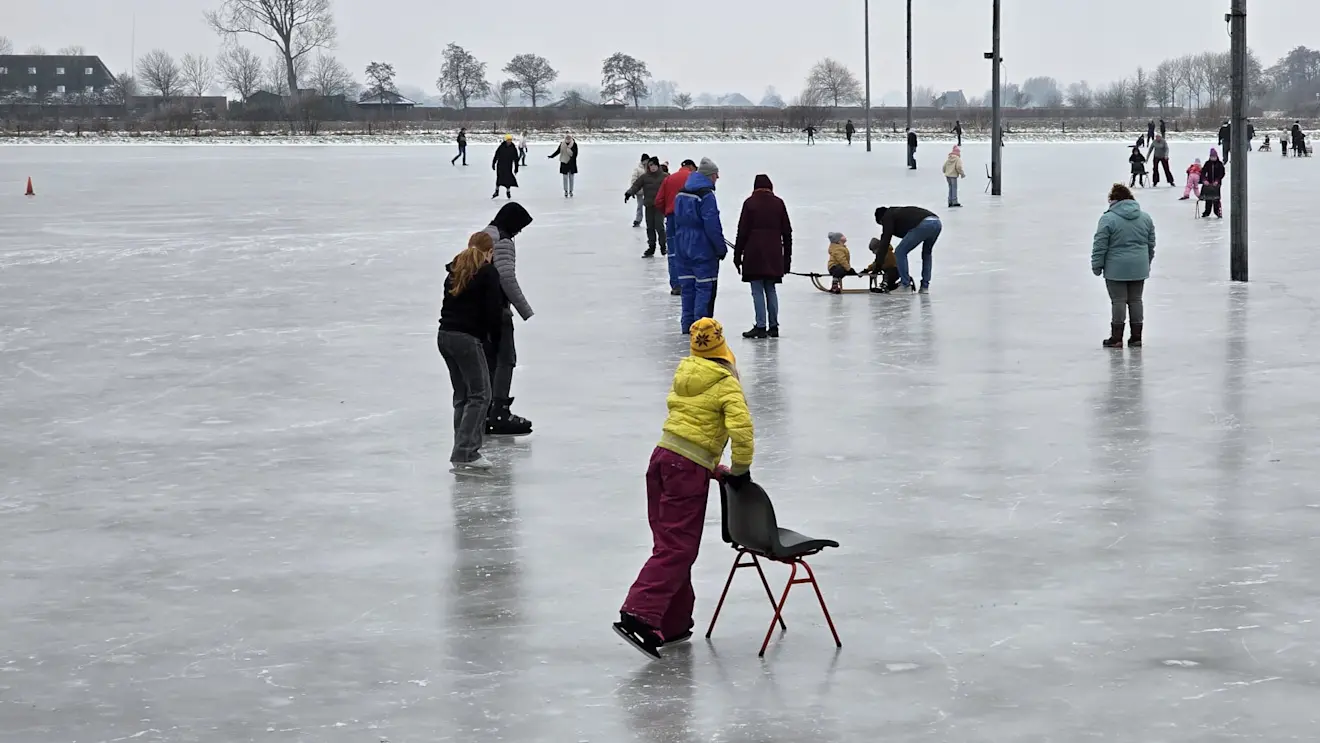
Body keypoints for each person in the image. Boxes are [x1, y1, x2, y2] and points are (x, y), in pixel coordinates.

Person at [614, 317, 754, 660]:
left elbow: (688, 433)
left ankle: (673, 622)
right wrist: (740, 471)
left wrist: (713, 468)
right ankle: (639, 612)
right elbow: (742, 430)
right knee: (678, 548)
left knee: (671, 543)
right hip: (684, 470)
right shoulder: (725, 382)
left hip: (662, 459)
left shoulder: (686, 373)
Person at [437, 231, 505, 472]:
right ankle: (466, 452)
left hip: (445, 336)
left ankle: (462, 449)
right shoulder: (487, 272)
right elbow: (493, 312)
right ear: (489, 252)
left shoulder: (456, 270)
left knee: (463, 396)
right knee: (480, 395)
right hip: (466, 338)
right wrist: (493, 342)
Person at [482, 203, 536, 435]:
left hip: (479, 309)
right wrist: (525, 309)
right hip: (496, 310)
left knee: (489, 360)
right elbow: (506, 279)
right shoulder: (502, 241)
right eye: (519, 227)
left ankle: (485, 409)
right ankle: (499, 411)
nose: (519, 232)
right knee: (506, 359)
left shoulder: (485, 234)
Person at [1091, 183, 1155, 349]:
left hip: (1116, 268)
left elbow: (1100, 244)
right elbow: (1151, 243)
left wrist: (1097, 265)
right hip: (1139, 266)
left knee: (1118, 301)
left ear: (1114, 200)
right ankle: (1136, 337)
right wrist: (1146, 262)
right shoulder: (1145, 217)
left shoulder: (1108, 219)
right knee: (1136, 300)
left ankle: (1117, 337)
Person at [733, 174, 792, 338]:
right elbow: (787, 233)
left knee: (757, 290)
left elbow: (742, 232)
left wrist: (737, 256)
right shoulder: (779, 203)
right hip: (774, 254)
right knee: (771, 289)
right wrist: (786, 259)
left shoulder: (750, 203)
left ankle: (760, 326)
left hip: (754, 254)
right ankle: (774, 326)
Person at [673, 158, 726, 334]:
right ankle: (702, 330)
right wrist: (720, 248)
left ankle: (687, 326)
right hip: (702, 247)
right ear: (709, 175)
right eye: (716, 174)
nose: (717, 177)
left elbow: (675, 221)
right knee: (705, 288)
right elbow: (712, 224)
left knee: (688, 288)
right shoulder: (707, 195)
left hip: (682, 245)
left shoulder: (681, 193)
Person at [875, 205, 942, 293]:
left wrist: (878, 265)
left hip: (924, 224)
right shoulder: (898, 213)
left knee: (900, 252)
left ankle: (905, 285)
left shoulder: (887, 216)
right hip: (937, 222)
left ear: (881, 219)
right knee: (927, 254)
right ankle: (924, 287)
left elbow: (885, 241)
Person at [656, 159, 697, 296]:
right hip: (688, 219)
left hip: (671, 217)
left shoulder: (669, 179)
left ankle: (676, 285)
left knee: (673, 253)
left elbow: (659, 201)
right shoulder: (693, 178)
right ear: (691, 167)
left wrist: (667, 212)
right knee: (689, 250)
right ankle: (690, 282)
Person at [626, 157, 669, 258]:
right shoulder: (645, 177)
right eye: (650, 165)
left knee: (659, 226)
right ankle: (651, 247)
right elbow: (636, 185)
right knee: (650, 227)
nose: (652, 167)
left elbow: (672, 187)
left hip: (659, 206)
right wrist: (629, 193)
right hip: (649, 205)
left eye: (654, 165)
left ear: (657, 166)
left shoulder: (665, 176)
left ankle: (663, 246)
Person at [549, 133, 579, 197]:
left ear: (571, 138)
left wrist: (570, 160)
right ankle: (565, 191)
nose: (568, 139)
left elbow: (575, 154)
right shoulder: (562, 144)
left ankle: (571, 191)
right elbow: (558, 151)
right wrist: (552, 156)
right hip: (564, 162)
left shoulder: (574, 144)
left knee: (571, 178)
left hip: (571, 163)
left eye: (569, 138)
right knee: (565, 178)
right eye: (567, 138)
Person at [491, 134, 519, 199]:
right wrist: (493, 163)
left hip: (508, 166)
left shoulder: (513, 148)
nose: (509, 141)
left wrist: (516, 168)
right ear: (506, 140)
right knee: (499, 178)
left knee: (508, 179)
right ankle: (496, 191)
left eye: (510, 140)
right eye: (508, 140)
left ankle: (508, 191)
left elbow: (516, 158)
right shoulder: (501, 147)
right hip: (500, 165)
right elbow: (496, 155)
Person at [1199, 149, 1226, 219]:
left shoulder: (1219, 164)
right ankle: (1207, 212)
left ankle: (1217, 211)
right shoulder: (1207, 163)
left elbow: (1222, 173)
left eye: (1214, 156)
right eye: (1211, 156)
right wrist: (1204, 180)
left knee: (1216, 199)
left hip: (1217, 184)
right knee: (1208, 199)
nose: (1213, 158)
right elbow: (1203, 172)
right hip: (1209, 183)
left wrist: (1217, 181)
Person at [629, 153, 650, 227]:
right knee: (640, 206)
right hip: (640, 191)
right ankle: (638, 219)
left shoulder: (650, 168)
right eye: (646, 160)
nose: (647, 162)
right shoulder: (638, 169)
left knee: (649, 206)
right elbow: (634, 180)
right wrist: (633, 190)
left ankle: (650, 221)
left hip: (649, 191)